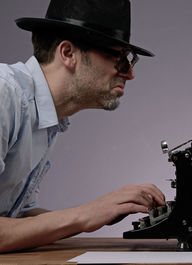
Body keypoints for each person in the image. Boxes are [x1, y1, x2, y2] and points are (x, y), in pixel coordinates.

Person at [0, 0, 165, 253]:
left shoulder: (45, 116)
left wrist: (107, 210)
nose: (130, 73)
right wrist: (87, 213)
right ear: (68, 53)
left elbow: (15, 218)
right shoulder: (4, 95)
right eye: (119, 58)